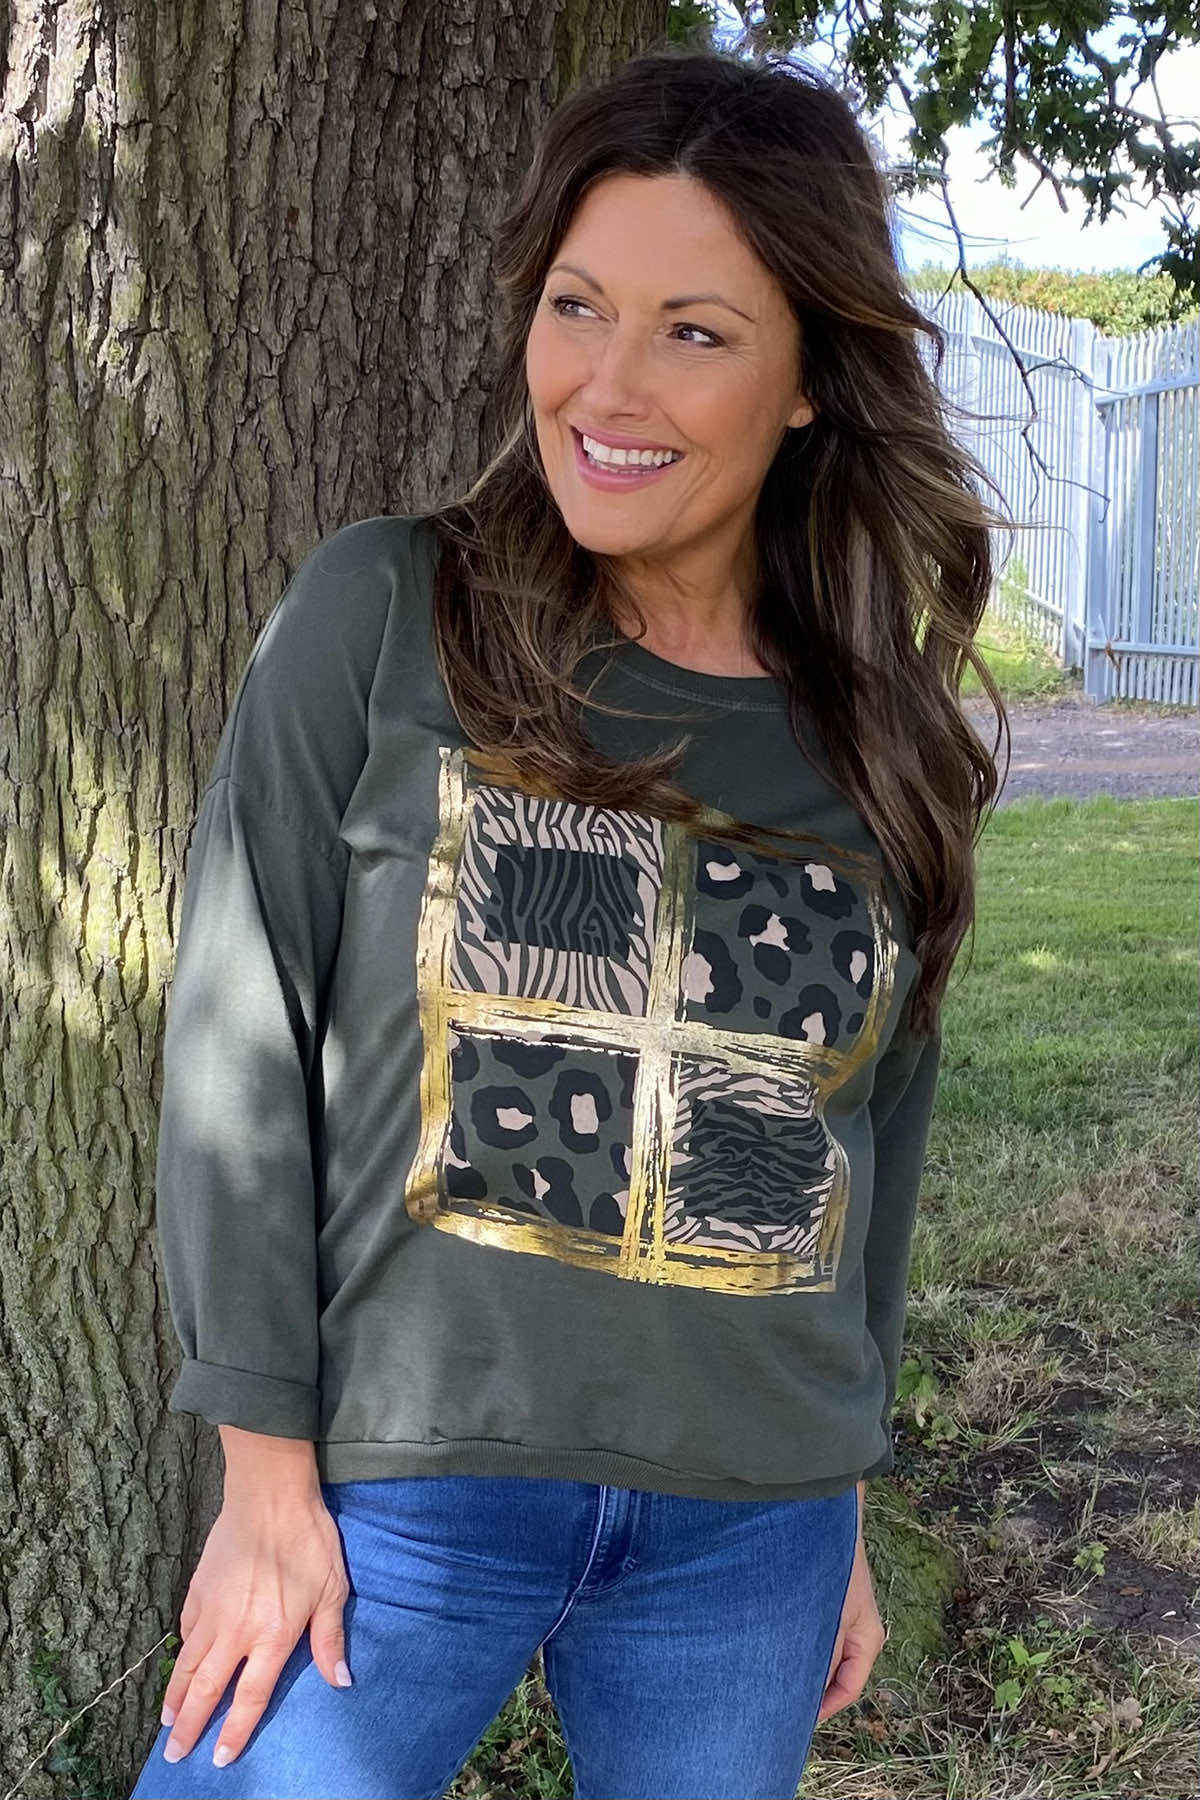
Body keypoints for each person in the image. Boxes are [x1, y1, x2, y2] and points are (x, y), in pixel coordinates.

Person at [128, 42, 1006, 1800]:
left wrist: (836, 1493)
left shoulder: (881, 739)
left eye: (697, 332)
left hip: (745, 1530)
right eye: (577, 305)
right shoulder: (387, 614)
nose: (607, 382)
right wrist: (264, 1481)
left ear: (811, 381)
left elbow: (871, 1156)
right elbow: (239, 1039)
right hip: (396, 1499)